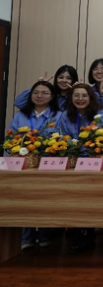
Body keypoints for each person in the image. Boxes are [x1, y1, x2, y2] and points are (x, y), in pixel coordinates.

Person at [9, 80, 61, 250]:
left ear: (52, 96)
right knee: (25, 200)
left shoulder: (59, 116)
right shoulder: (20, 116)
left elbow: (63, 140)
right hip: (24, 166)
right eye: (36, 93)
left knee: (46, 200)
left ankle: (45, 234)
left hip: (49, 166)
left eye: (45, 93)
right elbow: (10, 140)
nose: (39, 96)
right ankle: (26, 237)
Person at [56, 84, 103, 253]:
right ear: (71, 98)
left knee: (90, 200)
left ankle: (87, 233)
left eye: (84, 95)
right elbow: (59, 136)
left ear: (91, 98)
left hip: (93, 164)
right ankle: (77, 232)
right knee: (73, 200)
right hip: (71, 164)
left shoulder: (100, 115)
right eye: (76, 95)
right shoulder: (65, 115)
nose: (80, 99)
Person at [14, 65, 78, 111]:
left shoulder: (75, 97)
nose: (64, 81)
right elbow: (19, 103)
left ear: (74, 80)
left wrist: (78, 92)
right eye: (61, 77)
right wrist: (39, 87)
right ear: (56, 78)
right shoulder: (48, 94)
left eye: (69, 78)